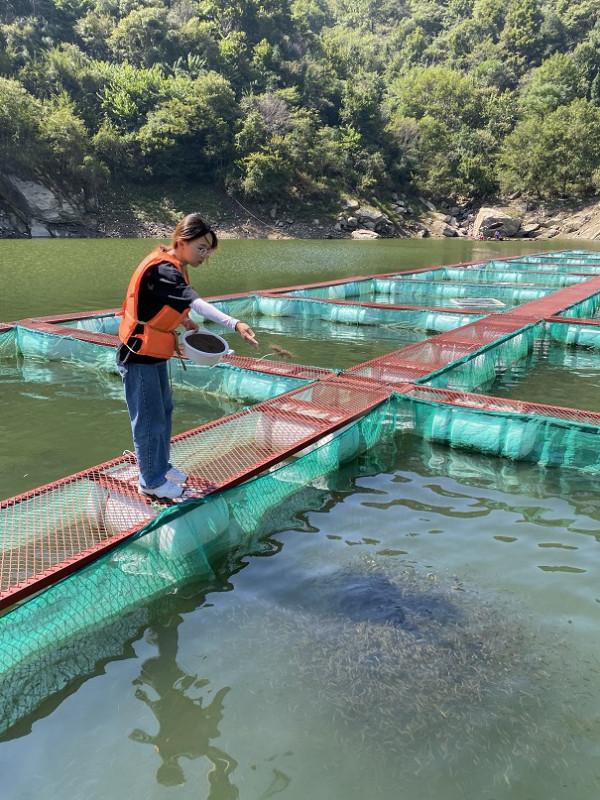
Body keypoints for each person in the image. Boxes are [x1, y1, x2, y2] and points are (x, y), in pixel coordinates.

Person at [117, 212, 258, 501]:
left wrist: (184, 322)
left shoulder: (174, 266)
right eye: (201, 248)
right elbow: (196, 302)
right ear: (182, 241)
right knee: (148, 420)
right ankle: (151, 481)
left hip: (154, 352)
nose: (204, 255)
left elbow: (161, 300)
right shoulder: (165, 269)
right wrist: (235, 324)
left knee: (163, 412)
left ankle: (160, 467)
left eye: (208, 250)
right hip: (137, 354)